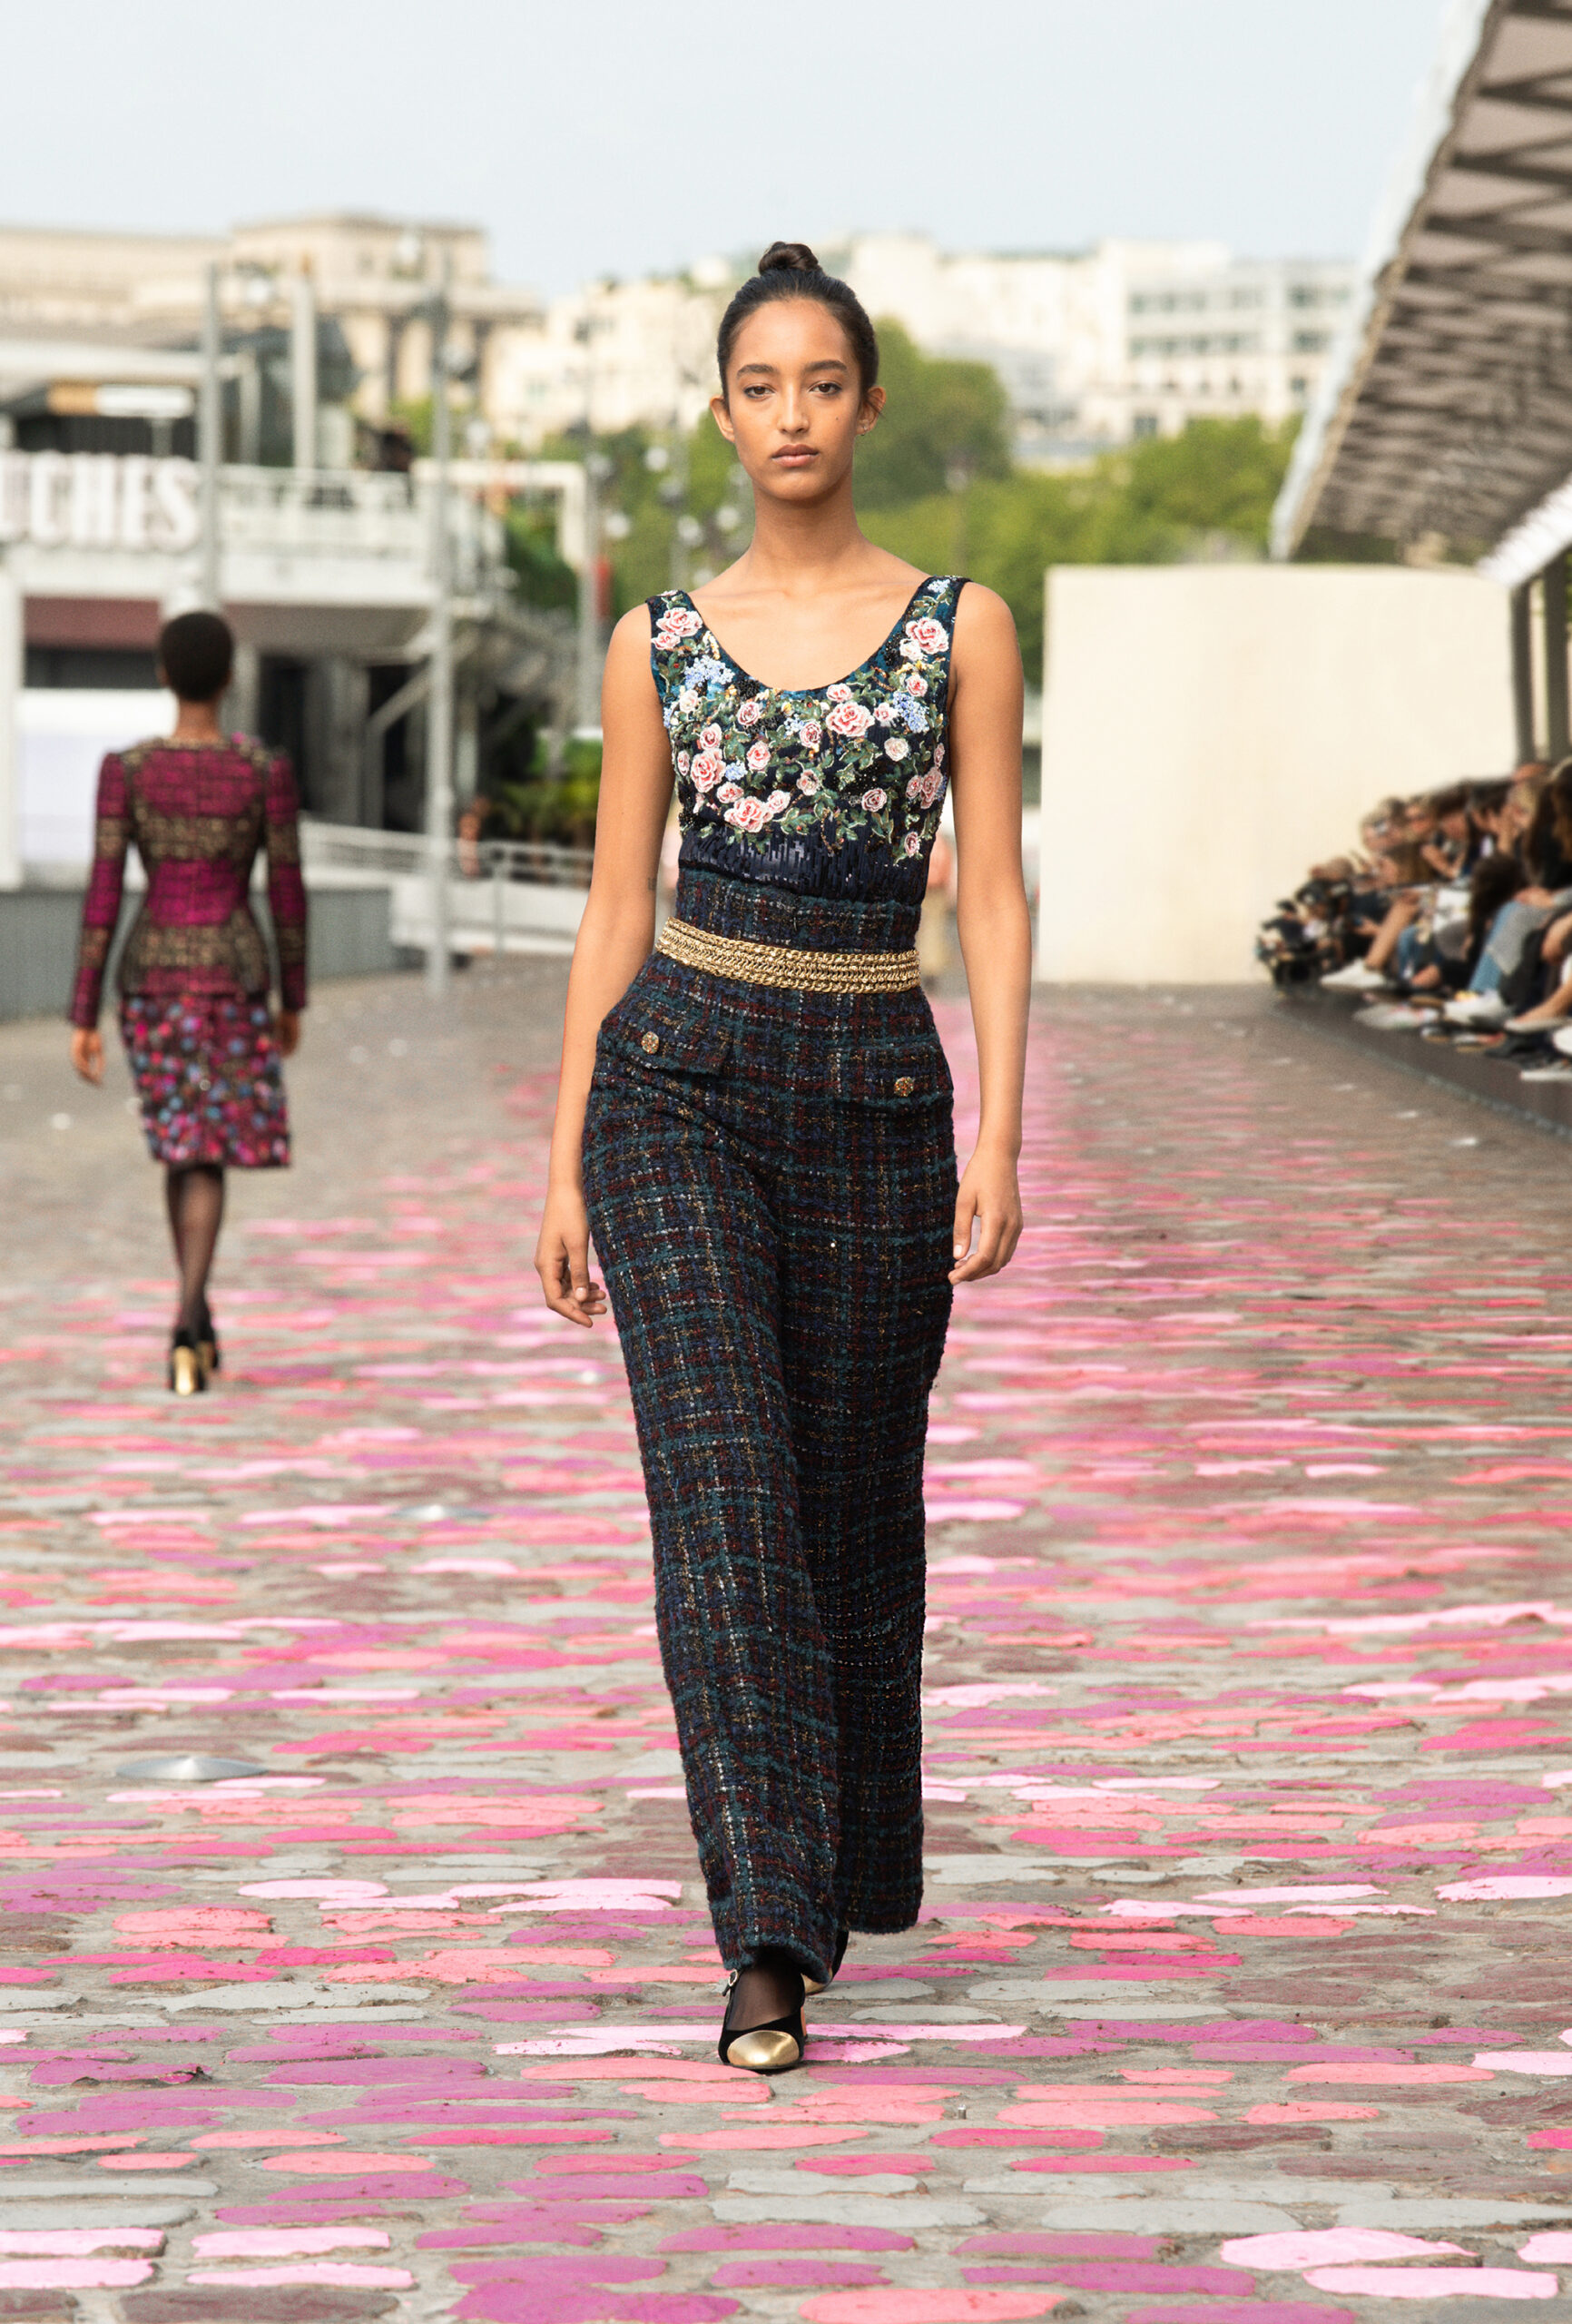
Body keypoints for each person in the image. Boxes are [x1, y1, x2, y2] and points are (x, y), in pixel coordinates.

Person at [534, 242, 1030, 2074]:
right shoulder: (654, 641)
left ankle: (838, 1865)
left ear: (867, 405)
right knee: (723, 1491)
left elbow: (992, 891)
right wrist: (563, 1156)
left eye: (824, 382)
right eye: (762, 387)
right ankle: (761, 1933)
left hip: (880, 1095)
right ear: (720, 414)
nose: (793, 414)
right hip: (675, 1084)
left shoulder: (959, 625)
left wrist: (1001, 1126)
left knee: (846, 1512)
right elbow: (612, 910)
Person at [67, 610, 307, 1395]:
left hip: (153, 980)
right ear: (231, 678)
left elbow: (104, 891)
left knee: (182, 1143)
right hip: (234, 976)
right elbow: (288, 890)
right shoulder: (263, 769)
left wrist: (83, 1011)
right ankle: (189, 1318)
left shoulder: (127, 770)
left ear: (164, 674)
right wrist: (294, 995)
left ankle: (192, 1320)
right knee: (207, 1149)